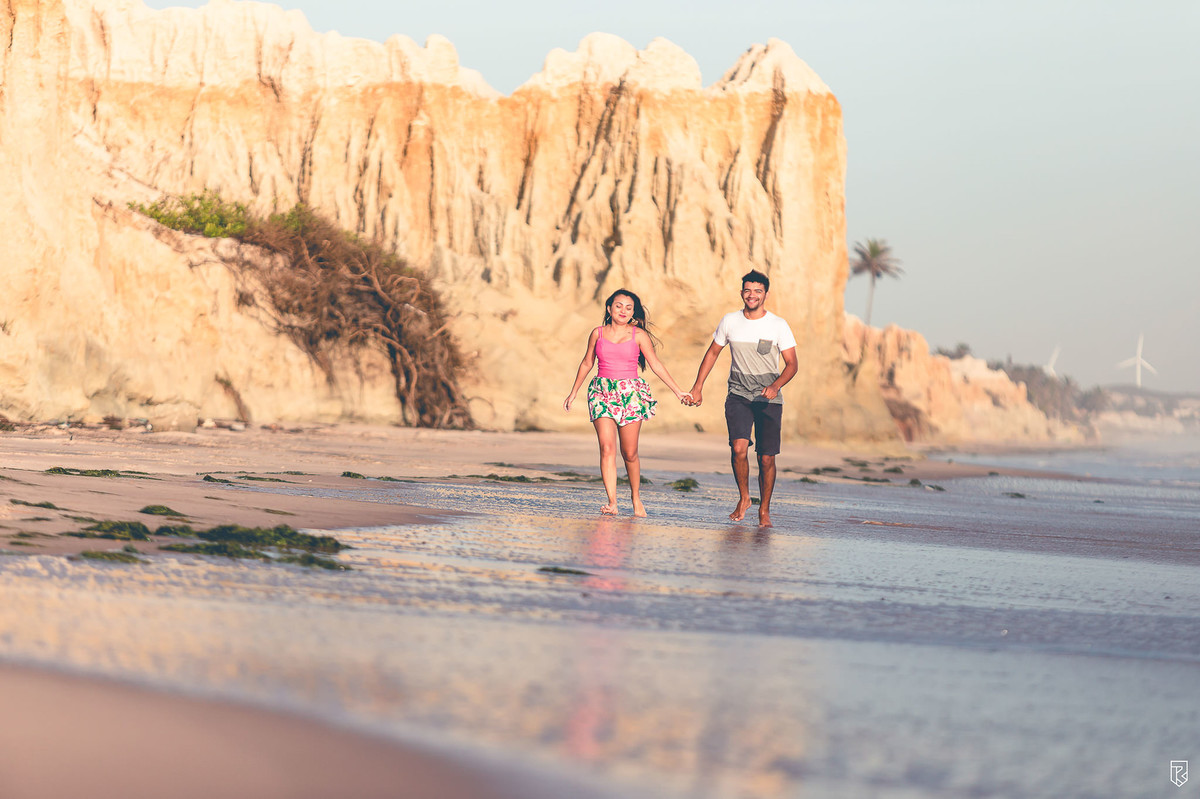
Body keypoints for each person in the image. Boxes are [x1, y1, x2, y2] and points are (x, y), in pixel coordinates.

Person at [564, 289, 692, 517]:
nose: (623, 311)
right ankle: (612, 502)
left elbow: (656, 364)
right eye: (618, 306)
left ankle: (636, 498)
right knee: (606, 448)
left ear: (633, 312)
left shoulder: (639, 335)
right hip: (601, 392)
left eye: (628, 307)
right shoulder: (597, 333)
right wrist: (573, 392)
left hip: (631, 393)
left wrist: (678, 391)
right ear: (609, 308)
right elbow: (586, 363)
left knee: (629, 452)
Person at [686, 270, 797, 528]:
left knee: (766, 458)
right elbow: (712, 353)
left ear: (765, 295)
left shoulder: (778, 325)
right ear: (741, 292)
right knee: (738, 449)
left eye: (758, 291)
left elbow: (792, 365)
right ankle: (745, 498)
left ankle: (765, 510)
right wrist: (697, 387)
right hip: (738, 394)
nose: (752, 295)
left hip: (769, 398)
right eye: (748, 290)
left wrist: (775, 386)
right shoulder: (730, 321)